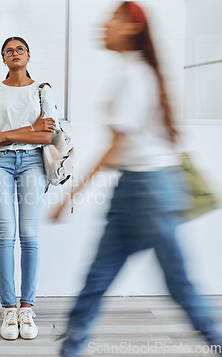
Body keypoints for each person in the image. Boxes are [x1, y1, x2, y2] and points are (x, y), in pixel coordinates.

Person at [52, 2, 222, 356]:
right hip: (136, 189)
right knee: (97, 278)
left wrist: (72, 195)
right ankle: (71, 349)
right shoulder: (136, 73)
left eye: (111, 19)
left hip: (150, 193)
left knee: (179, 285)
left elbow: (116, 146)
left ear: (130, 27)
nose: (103, 26)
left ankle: (216, 339)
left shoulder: (135, 76)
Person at [0, 36, 59, 340]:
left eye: (19, 49)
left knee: (29, 235)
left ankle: (27, 307)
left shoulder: (42, 91)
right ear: (3, 59)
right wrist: (30, 129)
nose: (14, 53)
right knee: (4, 234)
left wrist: (6, 134)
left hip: (33, 164)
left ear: (28, 55)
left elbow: (47, 137)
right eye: (8, 51)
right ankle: (9, 309)